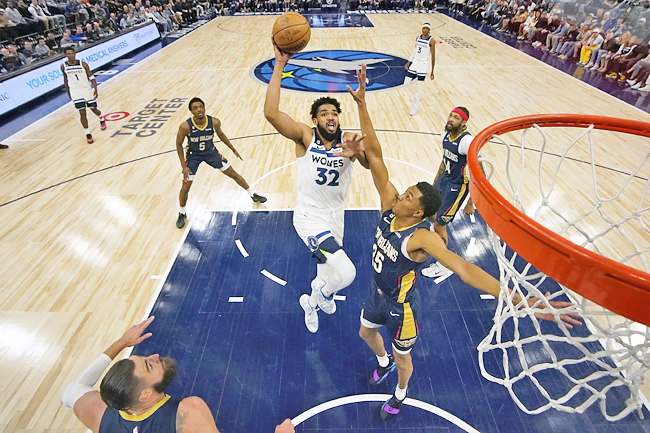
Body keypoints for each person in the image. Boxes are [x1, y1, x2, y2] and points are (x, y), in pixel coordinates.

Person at [342, 64, 582, 421]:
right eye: (403, 193)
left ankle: (400, 393)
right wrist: (362, 105)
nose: (400, 195)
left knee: (405, 357)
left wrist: (517, 298)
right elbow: (375, 156)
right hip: (376, 292)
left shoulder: (421, 237)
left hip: (402, 307)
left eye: (408, 196)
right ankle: (383, 362)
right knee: (365, 333)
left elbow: (465, 268)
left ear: (420, 212)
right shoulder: (390, 206)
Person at [264, 39, 369, 333]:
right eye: (324, 113)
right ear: (315, 120)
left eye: (334, 113)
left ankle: (311, 300)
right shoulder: (304, 138)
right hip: (310, 217)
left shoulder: (348, 141)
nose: (331, 116)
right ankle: (318, 297)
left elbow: (372, 167)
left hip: (337, 215)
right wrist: (280, 65)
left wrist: (358, 154)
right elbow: (272, 115)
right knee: (346, 272)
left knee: (326, 273)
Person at [61, 316, 295, 433]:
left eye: (144, 358)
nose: (154, 356)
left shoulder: (98, 415)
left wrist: (123, 342)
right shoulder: (188, 413)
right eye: (149, 366)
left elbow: (73, 388)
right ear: (144, 395)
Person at [175, 97, 267, 229]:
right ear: (191, 111)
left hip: (211, 153)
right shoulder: (185, 126)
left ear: (205, 107)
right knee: (186, 187)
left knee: (233, 174)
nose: (199, 110)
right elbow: (178, 144)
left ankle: (253, 195)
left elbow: (221, 135)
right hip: (193, 156)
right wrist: (184, 166)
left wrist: (233, 149)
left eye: (201, 106)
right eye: (195, 108)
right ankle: (181, 213)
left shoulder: (214, 122)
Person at [421, 107, 477, 278]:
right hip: (445, 178)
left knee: (440, 224)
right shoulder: (444, 135)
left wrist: (470, 202)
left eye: (456, 117)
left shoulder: (467, 142)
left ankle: (444, 264)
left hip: (458, 186)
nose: (451, 119)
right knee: (430, 210)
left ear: (464, 122)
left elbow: (477, 172)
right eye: (450, 115)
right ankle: (436, 237)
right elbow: (444, 160)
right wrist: (435, 182)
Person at [61, 46, 106, 143]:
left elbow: (92, 77)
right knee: (82, 112)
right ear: (66, 55)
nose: (71, 55)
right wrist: (68, 92)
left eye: (72, 53)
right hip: (75, 91)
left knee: (94, 109)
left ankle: (101, 119)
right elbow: (65, 80)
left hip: (86, 89)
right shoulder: (63, 66)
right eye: (68, 54)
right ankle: (88, 134)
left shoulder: (83, 64)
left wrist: (95, 89)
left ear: (75, 54)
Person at [403, 22, 436, 116]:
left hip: (423, 65)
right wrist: (409, 61)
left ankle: (415, 107)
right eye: (423, 28)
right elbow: (415, 50)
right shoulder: (418, 37)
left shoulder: (431, 40)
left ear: (429, 30)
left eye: (427, 28)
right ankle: (417, 96)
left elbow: (433, 56)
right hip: (415, 63)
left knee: (419, 86)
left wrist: (432, 70)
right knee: (406, 83)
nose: (425, 30)